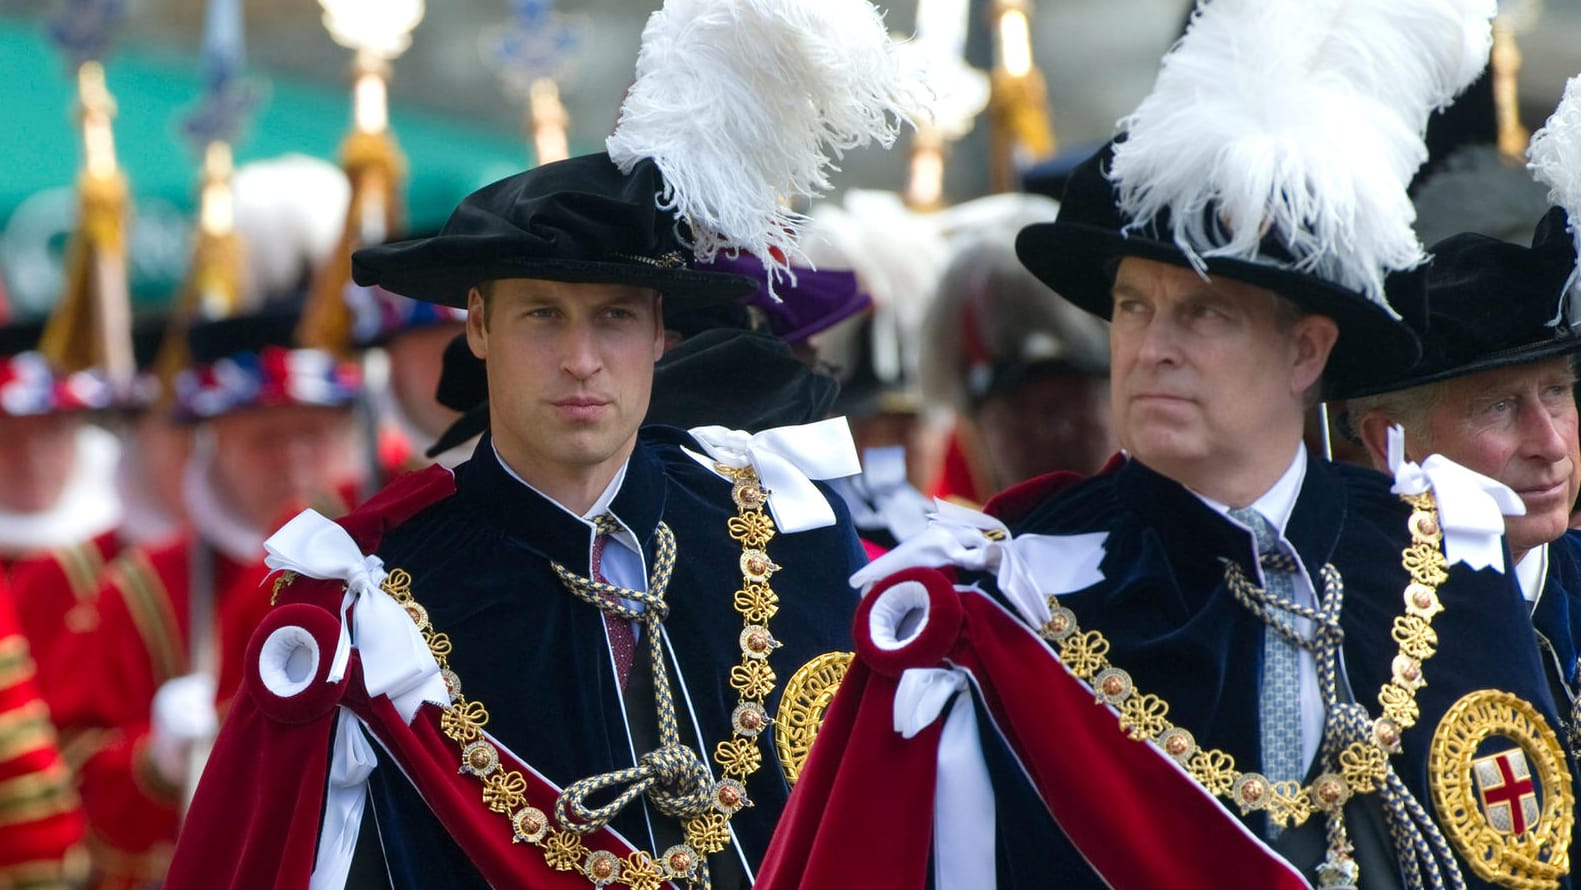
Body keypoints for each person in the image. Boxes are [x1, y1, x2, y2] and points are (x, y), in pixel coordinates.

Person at [758, 2, 1571, 887]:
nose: (1153, 347)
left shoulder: (1443, 558)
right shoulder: (1011, 596)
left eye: (1204, 312)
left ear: (1305, 350)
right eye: (1133, 307)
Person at [165, 0, 918, 886]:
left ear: (660, 337)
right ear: (477, 326)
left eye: (613, 318)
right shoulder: (374, 604)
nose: (580, 360)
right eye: (541, 318)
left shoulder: (786, 526)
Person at [1347, 208, 1581, 750]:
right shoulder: (1354, 630)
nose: (1549, 444)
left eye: (1557, 392)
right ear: (1389, 443)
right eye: (1499, 406)